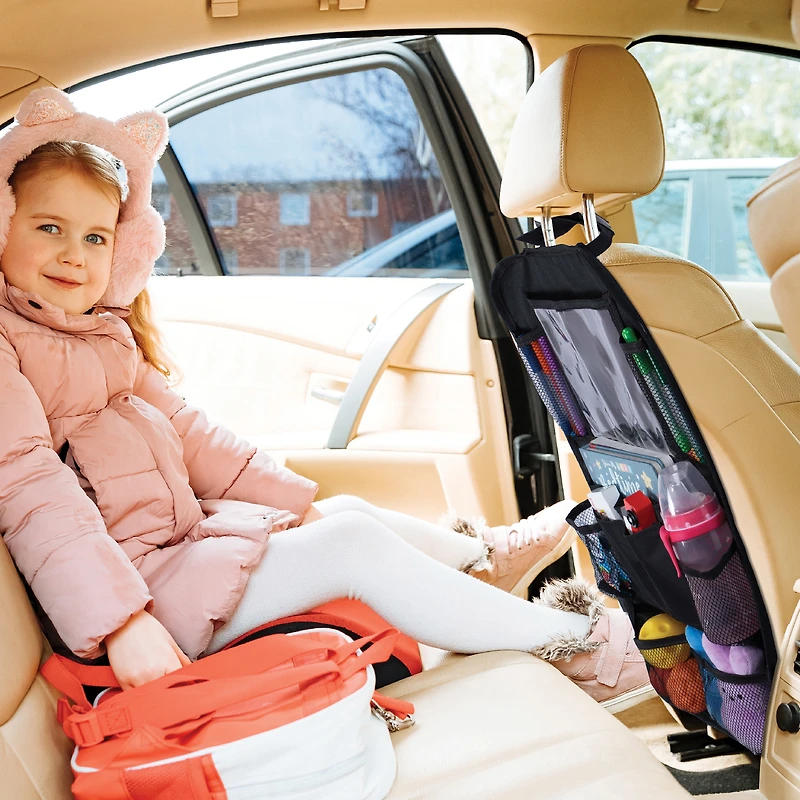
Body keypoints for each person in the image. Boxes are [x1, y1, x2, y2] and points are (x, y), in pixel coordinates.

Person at [0, 88, 649, 711]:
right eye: (49, 226)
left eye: (95, 237)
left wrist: (294, 502)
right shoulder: (8, 346)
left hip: (176, 558)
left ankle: (478, 562)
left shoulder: (103, 336)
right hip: (134, 598)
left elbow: (192, 433)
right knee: (350, 546)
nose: (73, 255)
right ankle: (576, 650)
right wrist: (120, 624)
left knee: (342, 512)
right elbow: (30, 490)